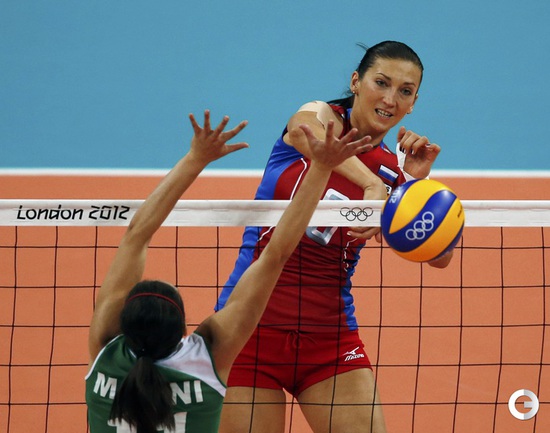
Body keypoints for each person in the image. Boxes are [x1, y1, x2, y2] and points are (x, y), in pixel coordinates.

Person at [216, 41, 454, 433]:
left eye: (405, 91)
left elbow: (440, 257)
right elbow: (304, 132)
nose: (390, 99)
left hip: (329, 339)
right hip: (246, 328)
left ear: (413, 103)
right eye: (381, 82)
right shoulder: (322, 116)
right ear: (356, 81)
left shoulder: (395, 173)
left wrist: (412, 187)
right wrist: (372, 184)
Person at [85, 110, 373, 433]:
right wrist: (321, 168)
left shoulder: (105, 353)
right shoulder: (206, 359)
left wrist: (194, 160)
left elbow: (135, 235)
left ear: (122, 326)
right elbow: (275, 254)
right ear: (182, 334)